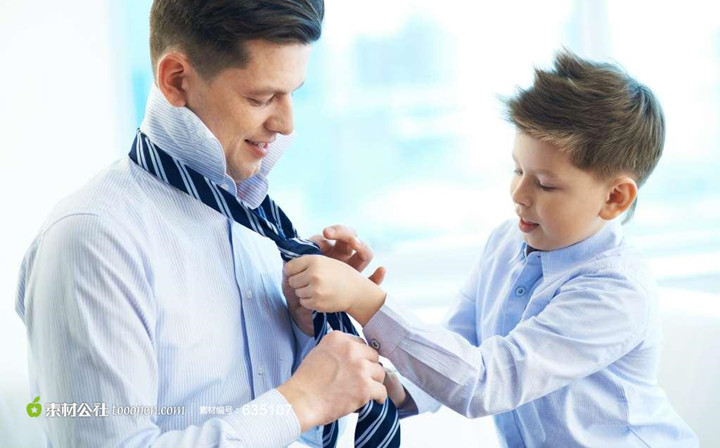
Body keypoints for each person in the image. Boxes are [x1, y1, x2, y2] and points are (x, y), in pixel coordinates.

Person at [15, 0, 431, 446]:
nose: (286, 123)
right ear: (176, 80)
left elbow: (283, 424)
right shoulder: (92, 240)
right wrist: (301, 400)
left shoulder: (263, 229)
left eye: (293, 94)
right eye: (262, 97)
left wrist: (308, 326)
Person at [284, 51, 699, 446]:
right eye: (517, 169)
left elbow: (486, 383)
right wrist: (397, 386)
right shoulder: (506, 242)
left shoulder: (615, 292)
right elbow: (458, 345)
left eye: (545, 184)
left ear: (614, 198)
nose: (518, 194)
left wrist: (363, 299)